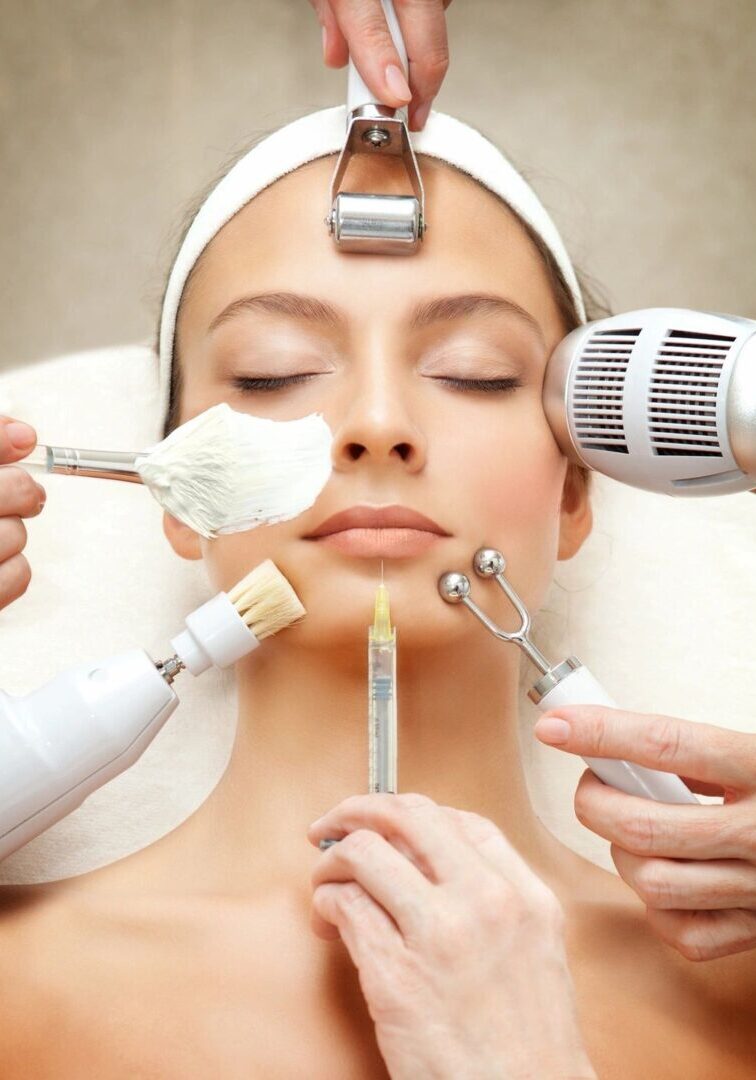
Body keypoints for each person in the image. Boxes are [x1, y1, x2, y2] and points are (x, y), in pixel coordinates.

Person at [1, 119, 755, 1077]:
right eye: (273, 368)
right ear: (174, 496)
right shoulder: (19, 986)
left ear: (573, 494)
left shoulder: (736, 995)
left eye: (473, 372)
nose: (378, 424)